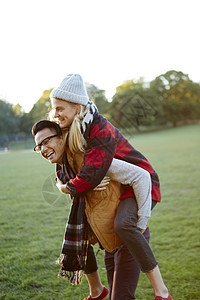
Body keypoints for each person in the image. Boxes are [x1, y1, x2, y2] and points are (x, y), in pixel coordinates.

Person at [47, 73, 173, 300]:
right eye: (53, 108)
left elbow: (90, 176)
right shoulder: (75, 130)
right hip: (118, 185)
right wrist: (68, 180)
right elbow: (74, 171)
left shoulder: (99, 130)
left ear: (77, 107)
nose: (55, 114)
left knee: (125, 225)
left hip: (139, 183)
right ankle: (98, 290)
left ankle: (162, 292)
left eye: (60, 108)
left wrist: (66, 187)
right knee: (85, 228)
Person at [32, 120, 152, 300]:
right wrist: (66, 186)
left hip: (127, 238)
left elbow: (142, 176)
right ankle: (97, 291)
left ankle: (162, 292)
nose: (42, 149)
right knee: (116, 294)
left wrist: (89, 180)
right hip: (109, 241)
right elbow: (69, 186)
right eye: (38, 146)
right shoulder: (65, 170)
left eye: (46, 141)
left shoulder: (94, 161)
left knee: (120, 296)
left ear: (62, 136)